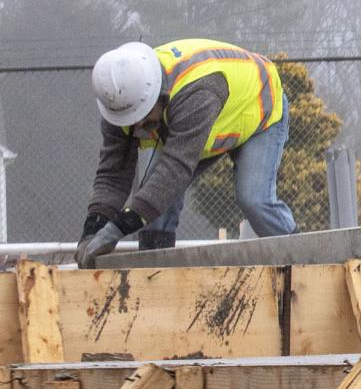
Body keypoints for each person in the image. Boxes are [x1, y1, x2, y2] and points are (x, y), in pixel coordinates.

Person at [76, 40, 298, 267]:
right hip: (209, 127)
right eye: (131, 120)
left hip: (258, 110)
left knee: (254, 200)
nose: (140, 124)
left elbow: (174, 170)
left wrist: (117, 228)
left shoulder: (197, 92)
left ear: (156, 94)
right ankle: (154, 278)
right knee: (155, 203)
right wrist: (93, 228)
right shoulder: (118, 102)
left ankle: (302, 259)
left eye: (143, 114)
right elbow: (113, 176)